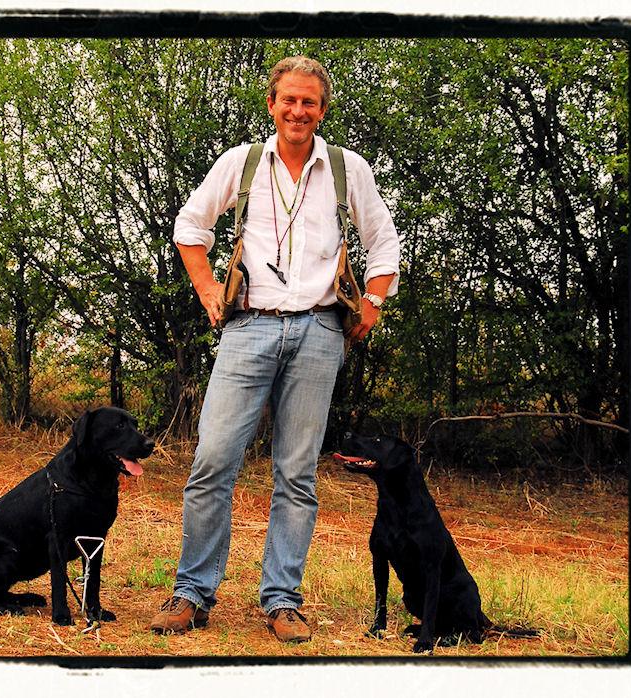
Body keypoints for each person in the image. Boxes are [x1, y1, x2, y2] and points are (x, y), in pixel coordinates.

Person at [150, 56, 400, 643]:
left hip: (319, 331)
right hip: (249, 327)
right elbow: (190, 226)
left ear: (322, 110)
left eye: (309, 102)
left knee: (297, 474)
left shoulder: (348, 169)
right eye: (289, 99)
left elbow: (384, 241)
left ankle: (282, 600)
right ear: (272, 104)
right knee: (212, 461)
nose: (298, 110)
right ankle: (192, 593)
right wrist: (207, 288)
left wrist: (372, 302)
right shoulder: (240, 163)